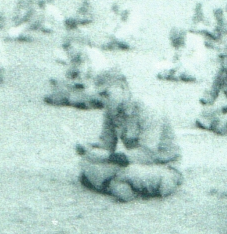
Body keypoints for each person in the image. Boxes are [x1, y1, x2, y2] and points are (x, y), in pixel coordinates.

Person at [76, 68, 182, 202]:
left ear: (122, 88)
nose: (103, 100)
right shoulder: (111, 110)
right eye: (100, 96)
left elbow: (148, 155)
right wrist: (89, 149)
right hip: (132, 163)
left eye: (106, 94)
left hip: (162, 166)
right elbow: (106, 145)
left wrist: (108, 157)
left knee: (130, 173)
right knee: (87, 162)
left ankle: (112, 184)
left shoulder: (148, 109)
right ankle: (117, 185)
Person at [44, 22, 108, 109]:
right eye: (67, 49)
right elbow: (71, 75)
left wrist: (73, 83)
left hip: (98, 86)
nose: (68, 51)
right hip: (87, 86)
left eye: (70, 48)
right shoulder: (77, 56)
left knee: (73, 97)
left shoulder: (92, 56)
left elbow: (90, 80)